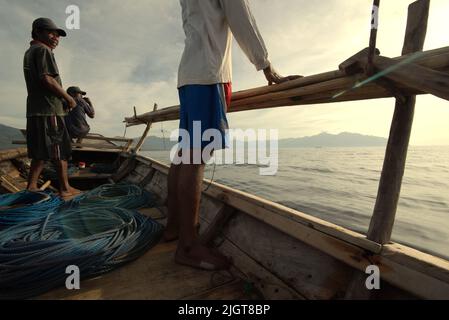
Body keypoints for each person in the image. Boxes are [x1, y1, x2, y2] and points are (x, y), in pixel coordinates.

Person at [163, 0, 301, 270]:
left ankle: (173, 228)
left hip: (190, 74)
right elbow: (242, 18)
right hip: (209, 73)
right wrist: (267, 67)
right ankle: (188, 247)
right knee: (196, 155)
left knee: (184, 153)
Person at [23, 17, 81, 199]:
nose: (56, 37)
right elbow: (47, 79)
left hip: (36, 110)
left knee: (40, 153)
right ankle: (65, 189)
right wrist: (68, 98)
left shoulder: (30, 51)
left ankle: (31, 187)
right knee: (59, 151)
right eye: (51, 33)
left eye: (57, 35)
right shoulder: (43, 50)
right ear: (38, 32)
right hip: (49, 111)